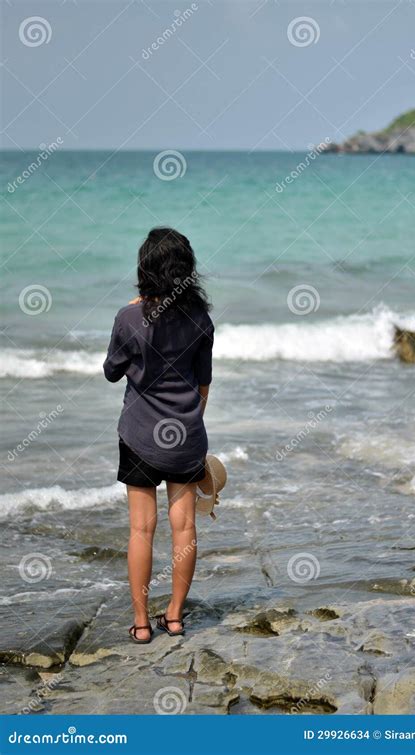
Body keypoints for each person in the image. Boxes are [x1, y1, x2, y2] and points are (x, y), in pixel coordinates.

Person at [103, 227, 213, 643]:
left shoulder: (129, 317)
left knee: (140, 530)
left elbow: (112, 372)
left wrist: (133, 316)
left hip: (138, 435)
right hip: (185, 434)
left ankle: (142, 623)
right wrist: (190, 423)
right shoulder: (201, 319)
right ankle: (175, 616)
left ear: (145, 269)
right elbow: (203, 384)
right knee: (184, 528)